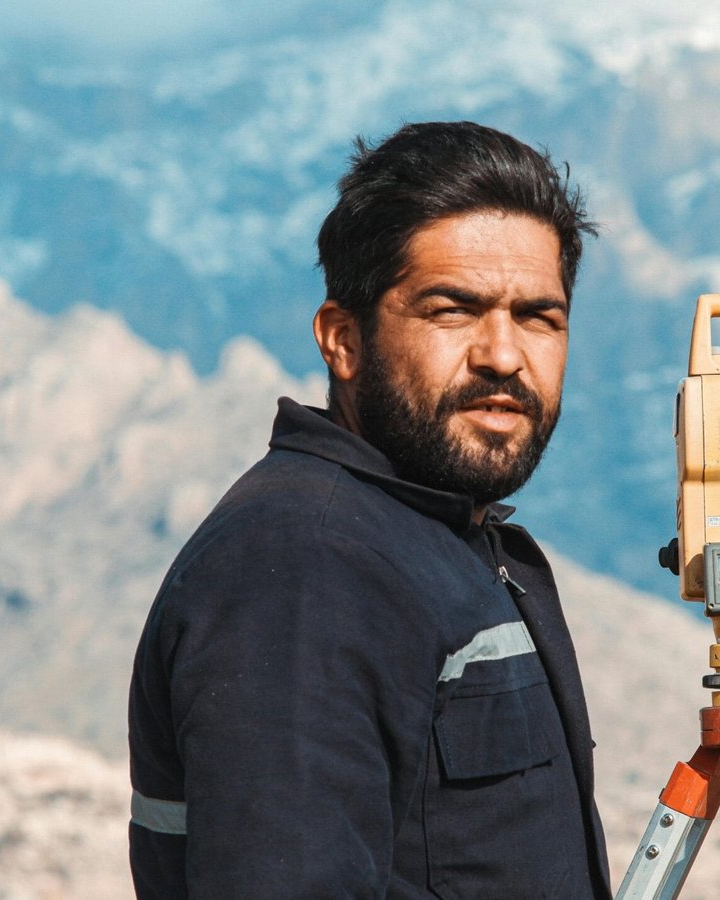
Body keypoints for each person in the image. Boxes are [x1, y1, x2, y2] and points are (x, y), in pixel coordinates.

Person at [127, 121, 609, 898]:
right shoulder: (304, 567)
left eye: (537, 317)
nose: (503, 354)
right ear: (342, 340)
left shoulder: (436, 539)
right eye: (453, 310)